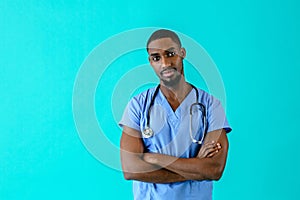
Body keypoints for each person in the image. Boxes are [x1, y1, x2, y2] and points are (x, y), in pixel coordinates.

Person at [119, 29, 232, 200]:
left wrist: (154, 158)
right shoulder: (138, 105)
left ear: (182, 53)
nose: (165, 63)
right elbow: (131, 169)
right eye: (156, 57)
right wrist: (196, 169)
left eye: (170, 54)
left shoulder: (210, 105)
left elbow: (214, 169)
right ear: (150, 62)